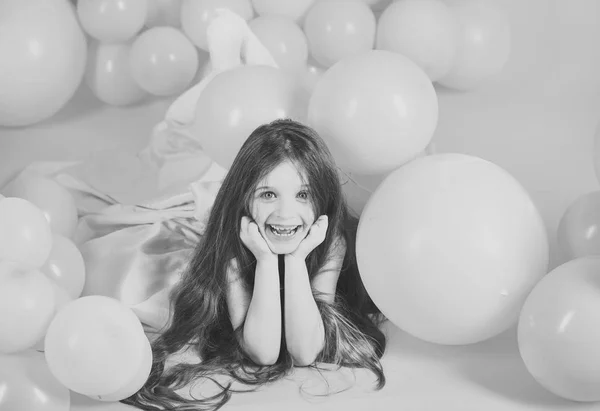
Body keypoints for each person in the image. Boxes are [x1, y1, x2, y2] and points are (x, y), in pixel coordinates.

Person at [122, 118, 387, 411]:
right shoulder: (234, 251)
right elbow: (263, 353)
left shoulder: (330, 242)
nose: (286, 213)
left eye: (303, 195)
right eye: (268, 194)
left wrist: (297, 261)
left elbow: (305, 351)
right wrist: (265, 260)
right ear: (246, 199)